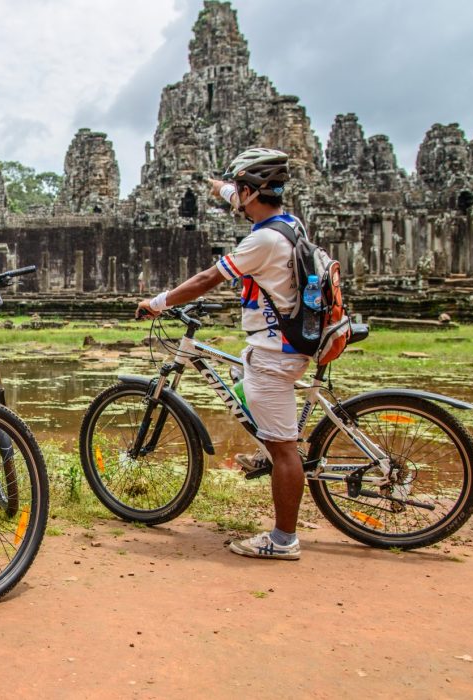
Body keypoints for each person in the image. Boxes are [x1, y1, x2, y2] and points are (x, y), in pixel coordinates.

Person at [136, 147, 310, 561]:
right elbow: (244, 199)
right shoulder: (287, 224)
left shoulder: (262, 241)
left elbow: (208, 278)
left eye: (241, 191)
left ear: (252, 192)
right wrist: (221, 188)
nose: (238, 199)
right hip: (272, 348)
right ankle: (267, 451)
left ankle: (284, 539)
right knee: (240, 382)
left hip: (276, 351)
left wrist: (158, 302)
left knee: (285, 448)